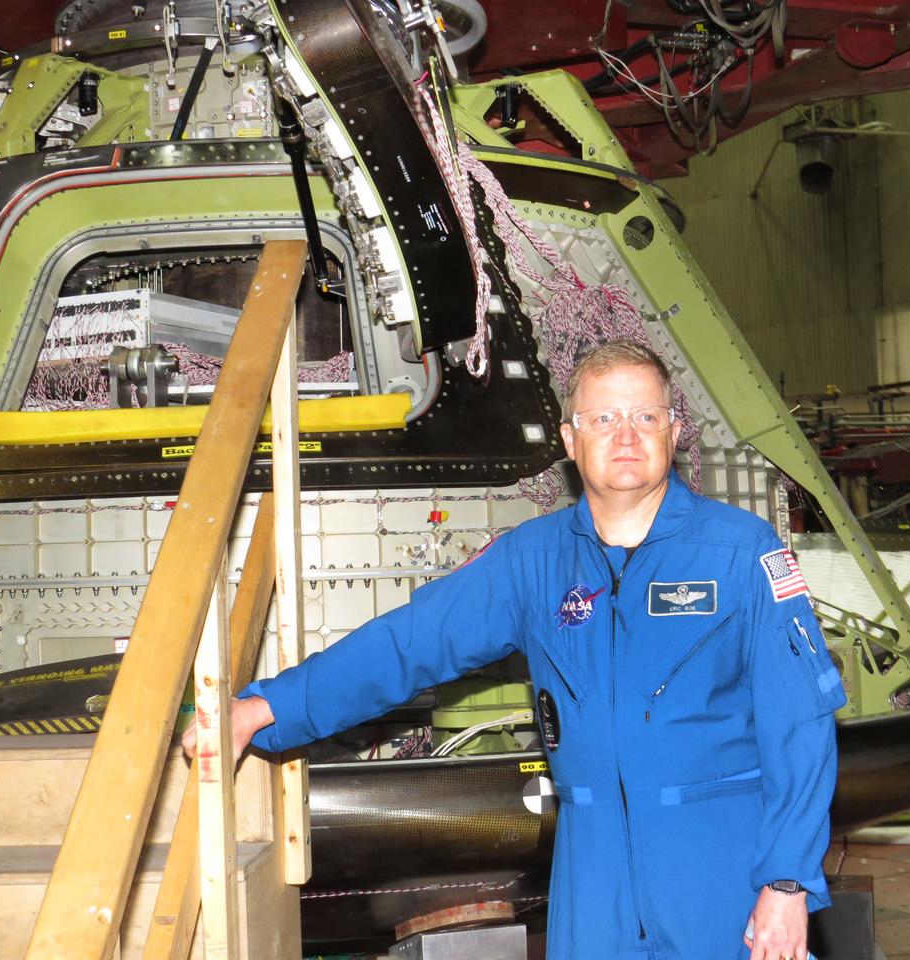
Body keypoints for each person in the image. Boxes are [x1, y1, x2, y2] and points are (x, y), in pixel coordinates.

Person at [183, 340, 846, 960]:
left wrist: (787, 883)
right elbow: (409, 643)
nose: (626, 434)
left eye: (646, 414)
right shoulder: (533, 562)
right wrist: (267, 709)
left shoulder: (740, 550)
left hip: (718, 860)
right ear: (569, 440)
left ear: (674, 432)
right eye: (604, 417)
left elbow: (800, 729)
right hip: (591, 869)